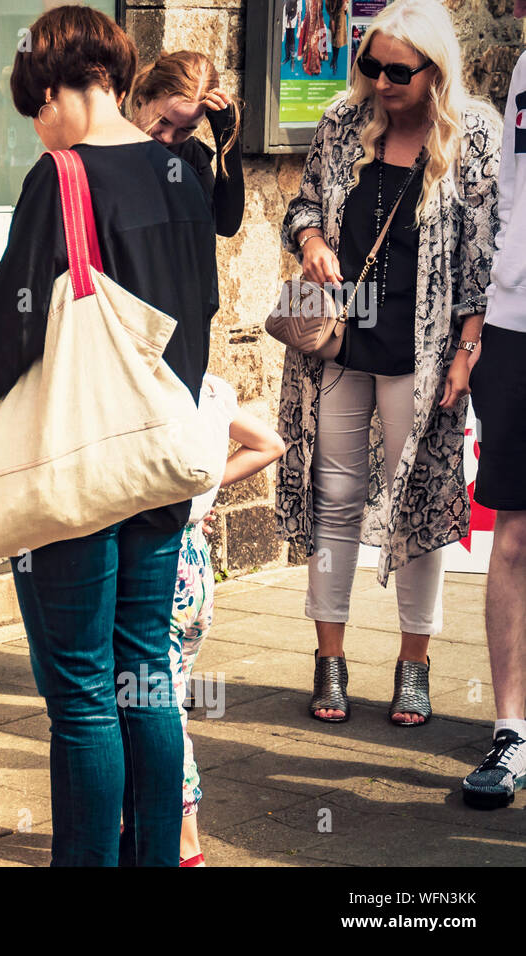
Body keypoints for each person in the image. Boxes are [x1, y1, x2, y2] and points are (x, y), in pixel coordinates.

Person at [0, 4, 219, 866]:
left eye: (37, 105)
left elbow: (10, 331)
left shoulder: (61, 177)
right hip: (157, 455)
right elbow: (201, 313)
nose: (37, 125)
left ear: (63, 88)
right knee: (145, 677)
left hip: (77, 463)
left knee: (82, 699)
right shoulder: (179, 173)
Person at [278, 0, 502, 727]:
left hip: (427, 349)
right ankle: (330, 658)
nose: (378, 82)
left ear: (434, 69)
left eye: (395, 70)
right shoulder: (345, 124)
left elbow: (484, 261)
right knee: (334, 495)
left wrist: (467, 352)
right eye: (369, 65)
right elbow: (302, 207)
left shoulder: (474, 136)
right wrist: (311, 243)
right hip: (341, 341)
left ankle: (415, 663)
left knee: (419, 508)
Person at [171, 376, 286, 867]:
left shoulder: (150, 380)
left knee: (159, 711)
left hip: (164, 565)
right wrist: (205, 488)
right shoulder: (210, 386)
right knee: (164, 700)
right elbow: (269, 443)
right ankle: (147, 825)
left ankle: (185, 847)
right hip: (197, 566)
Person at [462, 0, 526, 809]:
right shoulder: (523, 69)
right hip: (515, 326)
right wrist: (478, 319)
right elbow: (507, 196)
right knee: (511, 532)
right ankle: (511, 729)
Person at [130, 50, 245, 237]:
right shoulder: (113, 147)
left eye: (185, 129)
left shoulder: (189, 154)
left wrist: (227, 136)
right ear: (143, 98)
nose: (167, 137)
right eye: (163, 121)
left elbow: (225, 224)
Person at [284, 0, 302, 66]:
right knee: (287, 37)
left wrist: (299, 28)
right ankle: (287, 57)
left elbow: (299, 11)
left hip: (293, 15)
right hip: (286, 14)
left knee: (291, 37)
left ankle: (292, 60)